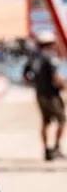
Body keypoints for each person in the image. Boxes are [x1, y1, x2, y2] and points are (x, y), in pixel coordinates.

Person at [24, 31, 65, 160]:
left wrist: (37, 83)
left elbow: (26, 76)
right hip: (52, 96)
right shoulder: (51, 58)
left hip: (40, 94)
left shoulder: (34, 58)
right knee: (62, 121)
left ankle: (47, 150)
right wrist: (63, 85)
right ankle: (56, 148)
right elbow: (56, 78)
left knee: (46, 122)